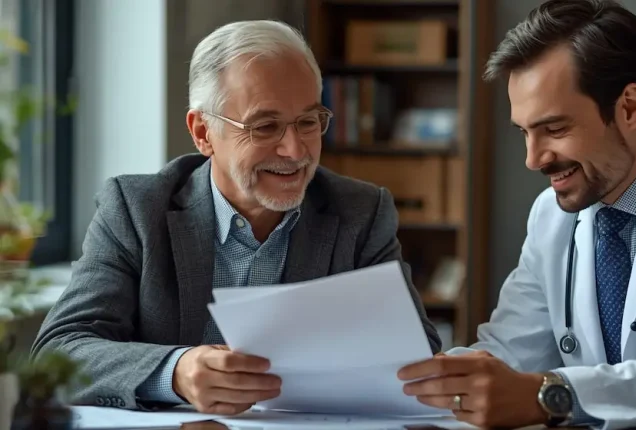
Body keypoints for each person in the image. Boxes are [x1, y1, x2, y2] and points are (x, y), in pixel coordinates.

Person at [31, 20, 441, 415]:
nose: (295, 151)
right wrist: (176, 372)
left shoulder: (360, 213)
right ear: (203, 132)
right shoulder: (136, 210)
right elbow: (57, 353)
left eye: (308, 122)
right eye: (265, 126)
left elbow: (416, 353)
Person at [397, 0, 636, 428]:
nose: (533, 159)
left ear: (630, 107)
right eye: (525, 132)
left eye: (555, 129)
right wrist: (412, 383)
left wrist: (551, 395)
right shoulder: (550, 216)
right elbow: (506, 355)